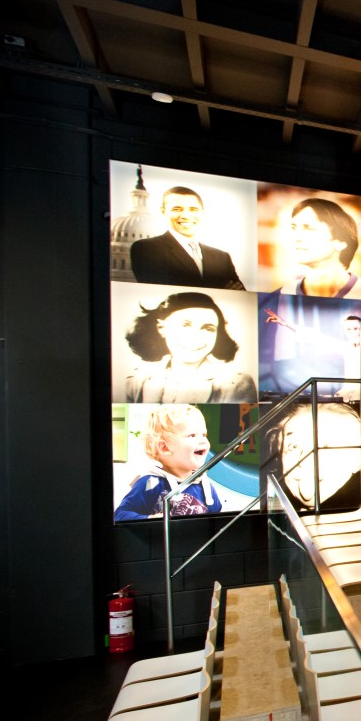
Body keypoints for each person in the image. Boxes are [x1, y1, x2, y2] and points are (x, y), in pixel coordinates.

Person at [124, 291, 256, 403]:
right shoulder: (137, 381)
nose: (195, 336)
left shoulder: (236, 384)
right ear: (161, 328)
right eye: (185, 325)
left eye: (208, 329)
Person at [114, 404, 223, 520]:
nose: (203, 441)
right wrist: (151, 519)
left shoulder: (205, 486)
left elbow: (218, 521)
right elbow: (120, 515)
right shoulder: (150, 482)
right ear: (165, 448)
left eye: (204, 434)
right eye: (192, 435)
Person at [129, 185, 247, 289]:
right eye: (177, 209)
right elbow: (159, 291)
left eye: (193, 209)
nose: (186, 215)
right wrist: (221, 290)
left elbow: (240, 294)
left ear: (202, 212)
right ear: (163, 211)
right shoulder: (147, 249)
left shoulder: (222, 257)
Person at [281, 197, 361, 300]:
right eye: (294, 228)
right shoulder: (279, 297)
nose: (296, 237)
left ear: (341, 241)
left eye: (309, 228)